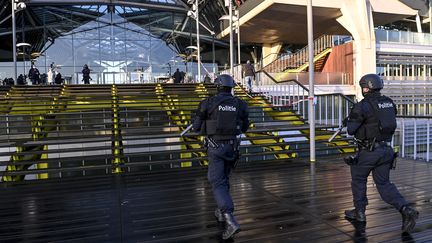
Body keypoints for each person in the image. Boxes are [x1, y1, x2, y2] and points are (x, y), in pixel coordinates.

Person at [343, 73, 419, 233]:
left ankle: (360, 213)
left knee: (358, 179)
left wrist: (350, 119)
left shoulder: (362, 105)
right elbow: (380, 122)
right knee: (384, 185)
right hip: (386, 151)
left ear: (365, 88)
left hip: (368, 152)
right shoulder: (388, 103)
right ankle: (405, 209)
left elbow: (351, 130)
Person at [192, 74, 249, 240]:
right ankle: (220, 210)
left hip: (215, 147)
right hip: (232, 148)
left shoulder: (208, 103)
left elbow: (196, 127)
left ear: (217, 87)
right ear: (231, 87)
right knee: (222, 179)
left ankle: (230, 219)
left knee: (217, 182)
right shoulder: (240, 104)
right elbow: (245, 127)